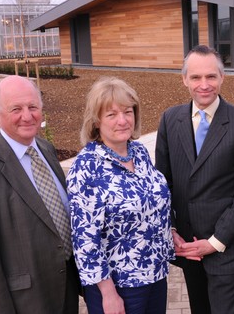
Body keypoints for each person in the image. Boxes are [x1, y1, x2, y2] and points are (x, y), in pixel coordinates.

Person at [0, 75, 80, 314]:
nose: (27, 115)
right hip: (25, 303)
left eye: (33, 107)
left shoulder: (45, 149)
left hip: (65, 291)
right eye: (16, 109)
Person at [155, 45, 234, 314]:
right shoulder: (170, 119)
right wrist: (173, 229)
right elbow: (163, 183)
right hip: (188, 246)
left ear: (222, 78)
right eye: (196, 77)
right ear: (184, 80)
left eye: (211, 77)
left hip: (223, 247)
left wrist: (214, 242)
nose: (204, 85)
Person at [67, 77, 174, 314]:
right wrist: (108, 293)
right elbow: (85, 240)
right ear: (96, 121)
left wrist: (170, 233)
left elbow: (151, 204)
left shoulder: (139, 152)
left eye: (128, 111)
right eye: (112, 115)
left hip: (155, 275)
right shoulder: (86, 167)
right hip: (120, 287)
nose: (123, 120)